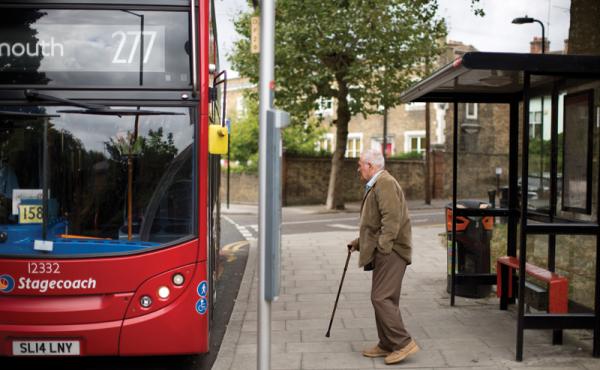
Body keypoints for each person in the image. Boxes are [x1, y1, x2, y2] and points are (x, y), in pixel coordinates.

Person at [348, 148, 418, 365]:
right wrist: (359, 243)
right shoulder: (378, 183)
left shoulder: (385, 182)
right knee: (386, 297)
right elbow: (375, 222)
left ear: (371, 165)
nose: (359, 167)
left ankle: (403, 343)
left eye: (361, 164)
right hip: (388, 249)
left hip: (392, 251)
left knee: (380, 298)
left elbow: (391, 218)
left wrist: (383, 247)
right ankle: (387, 343)